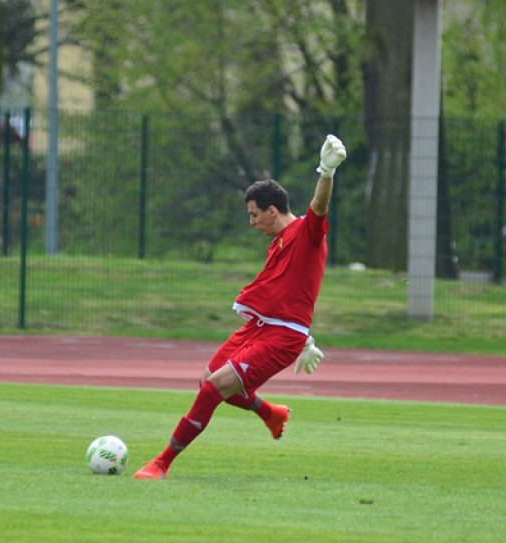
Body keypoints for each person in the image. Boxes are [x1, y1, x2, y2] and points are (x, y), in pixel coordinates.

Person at [133, 134, 347, 479]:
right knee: (208, 380)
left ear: (272, 211)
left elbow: (319, 208)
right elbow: (288, 292)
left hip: (280, 337)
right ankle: (270, 413)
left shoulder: (306, 232)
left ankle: (162, 462)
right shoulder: (277, 243)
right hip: (261, 328)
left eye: (254, 215)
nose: (251, 223)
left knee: (214, 388)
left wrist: (326, 171)